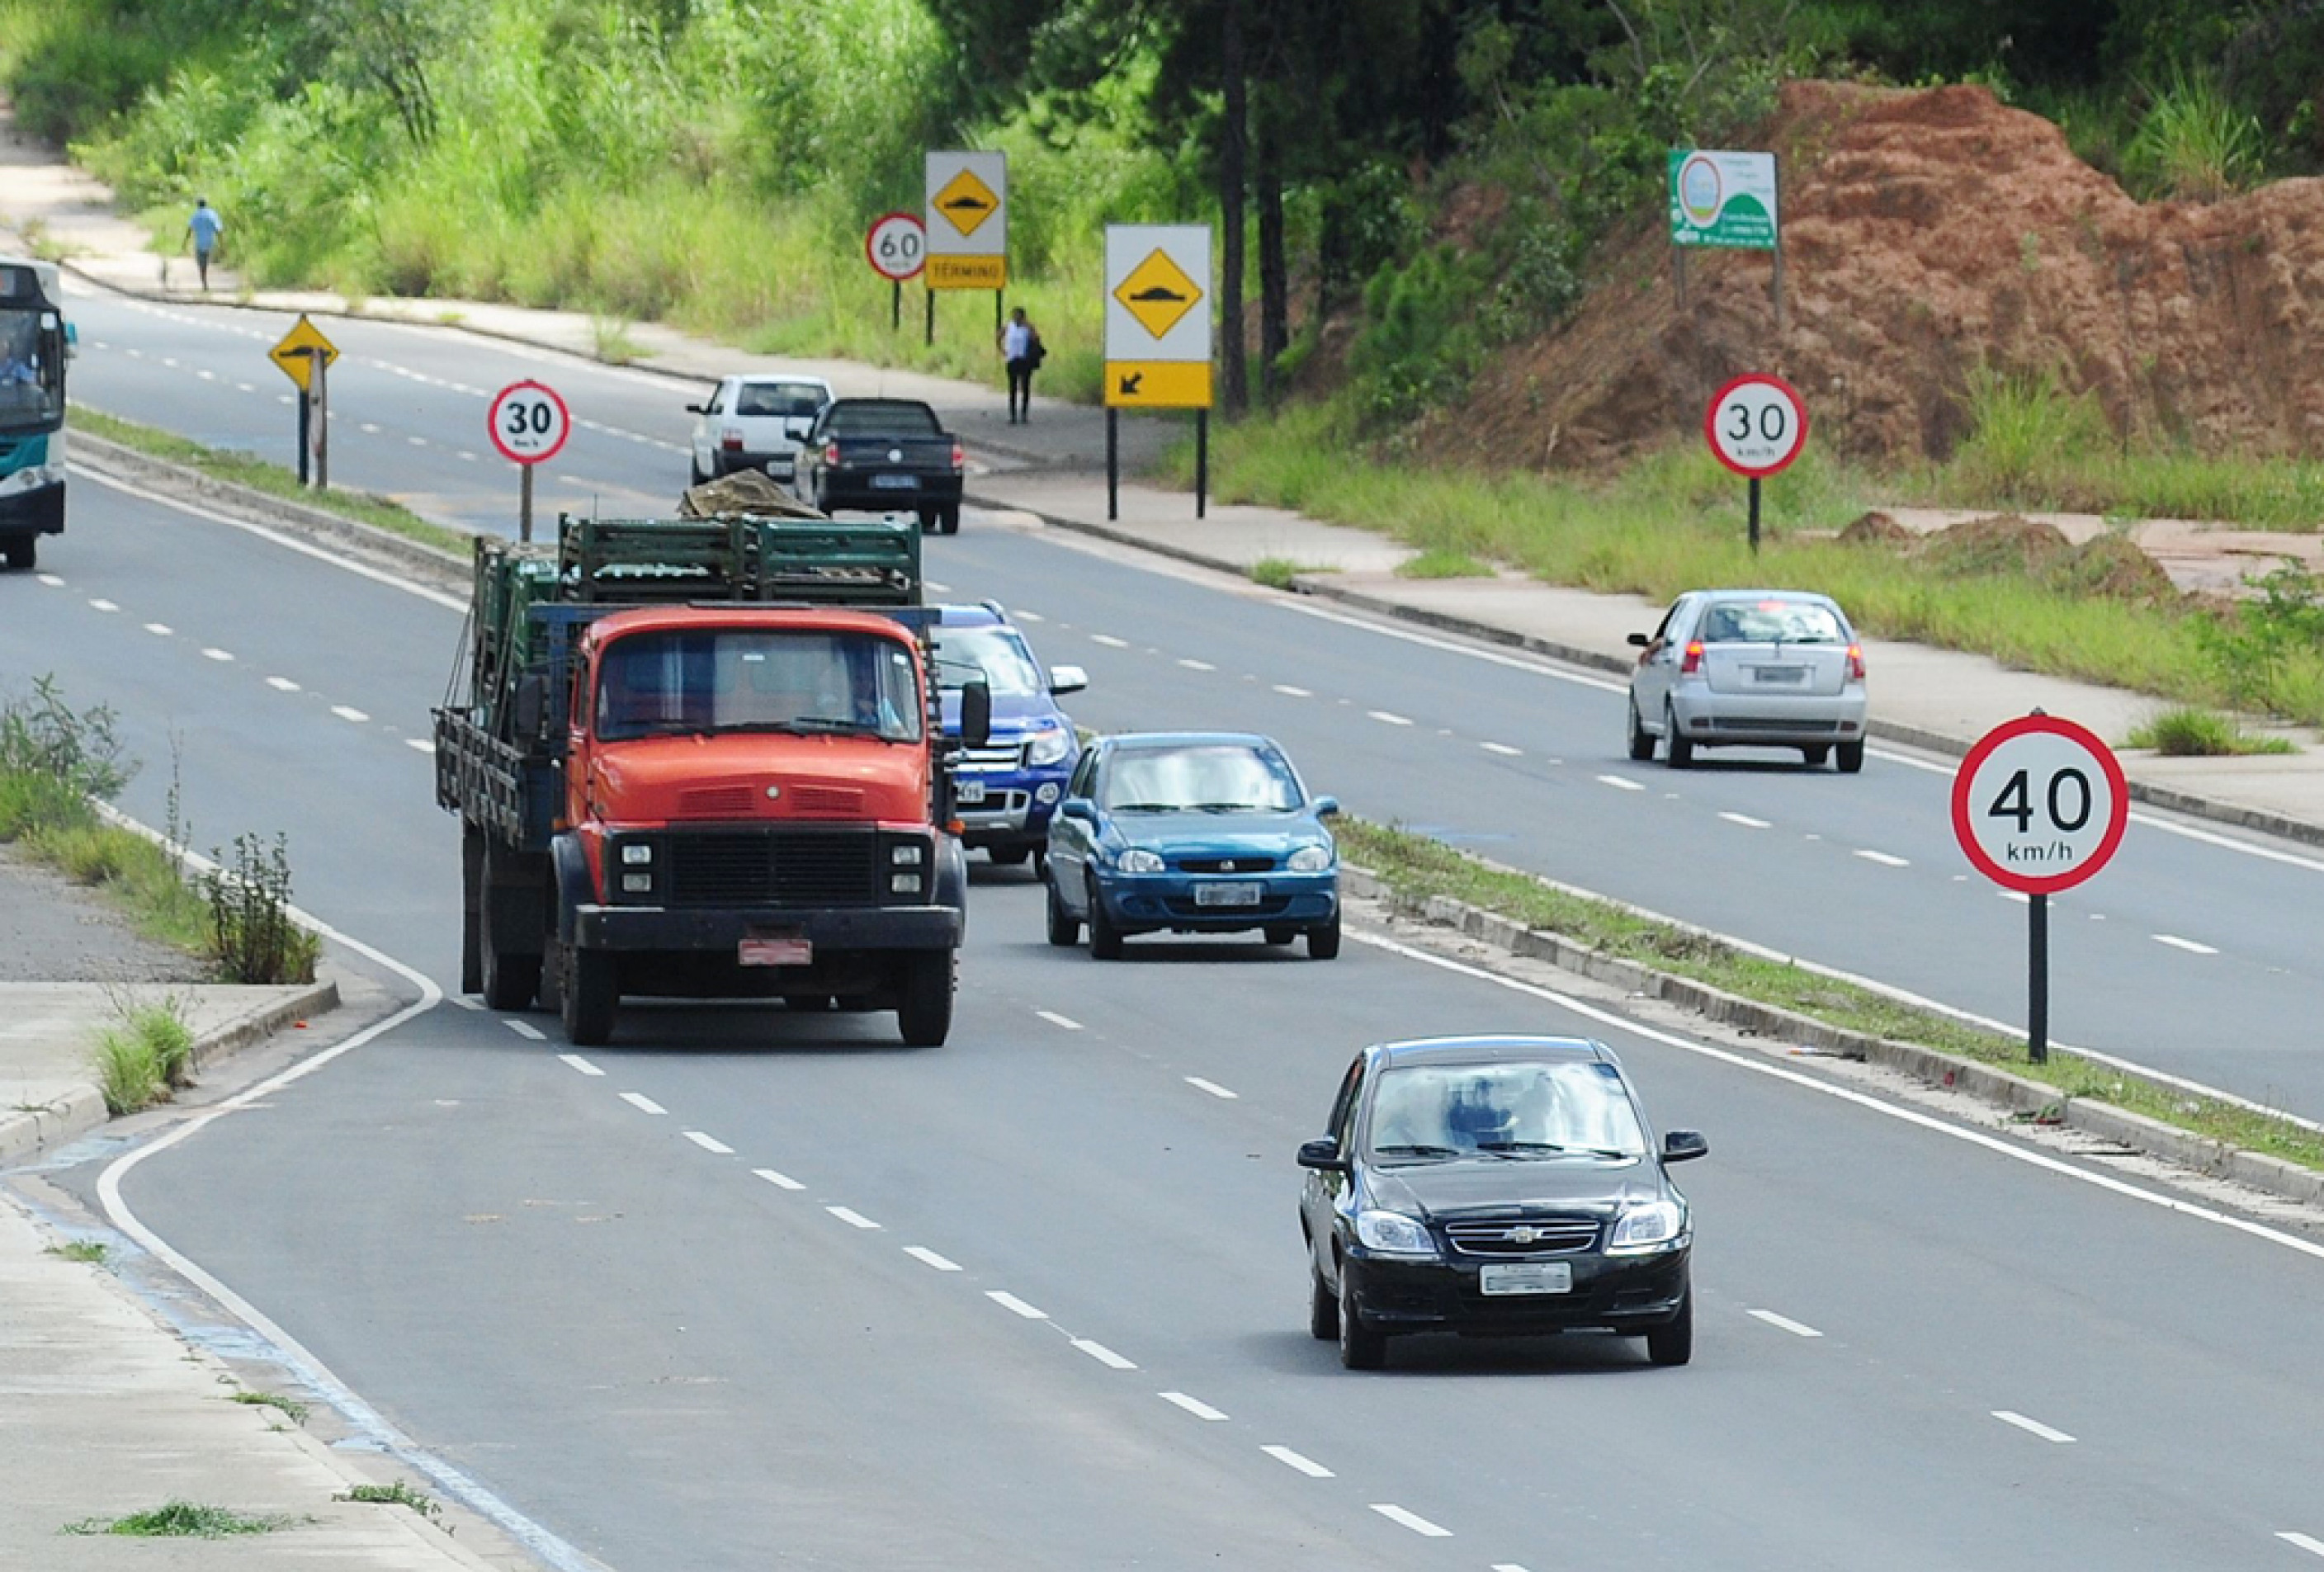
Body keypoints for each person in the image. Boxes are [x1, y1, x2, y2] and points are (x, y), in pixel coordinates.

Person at [997, 307, 1042, 425]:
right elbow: (999, 336)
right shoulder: (1009, 327)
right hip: (1012, 359)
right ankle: (1012, 415)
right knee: (1012, 387)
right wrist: (1001, 349)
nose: (1016, 318)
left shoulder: (1027, 328)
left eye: (1019, 316)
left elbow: (1037, 338)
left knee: (1025, 387)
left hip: (1024, 360)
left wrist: (1029, 326)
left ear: (1023, 317)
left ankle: (1024, 414)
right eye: (1014, 315)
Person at [183, 198, 224, 291]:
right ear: (206, 204)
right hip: (210, 242)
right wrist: (222, 244)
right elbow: (219, 230)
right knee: (207, 261)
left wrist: (185, 242)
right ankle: (206, 280)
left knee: (201, 264)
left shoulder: (195, 215)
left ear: (198, 205)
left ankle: (204, 282)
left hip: (200, 243)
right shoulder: (212, 214)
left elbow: (190, 230)